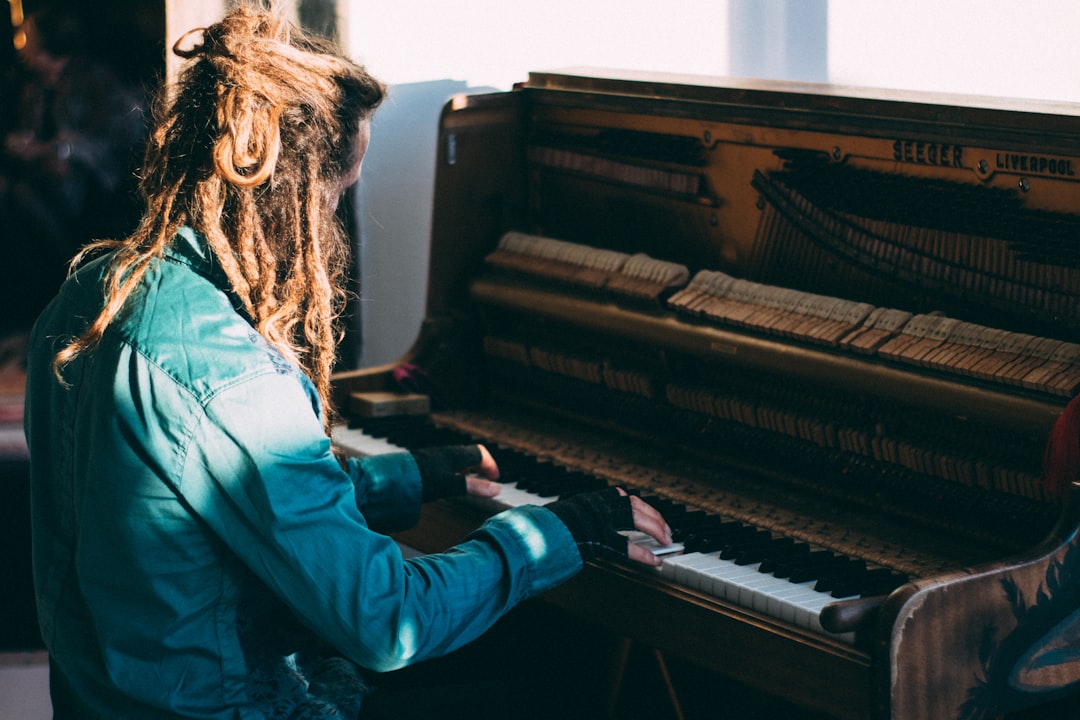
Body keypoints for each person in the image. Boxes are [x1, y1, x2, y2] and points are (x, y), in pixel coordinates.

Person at [23, 5, 672, 719]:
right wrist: (558, 528)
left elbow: (220, 499)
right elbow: (387, 622)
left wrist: (409, 477)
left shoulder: (97, 291)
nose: (333, 221)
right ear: (295, 196)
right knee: (557, 686)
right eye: (337, 195)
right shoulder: (233, 372)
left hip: (102, 703)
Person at [1, 7, 147, 338]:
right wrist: (30, 147)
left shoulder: (91, 79)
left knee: (29, 195)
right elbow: (35, 138)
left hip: (95, 180)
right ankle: (39, 303)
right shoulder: (34, 89)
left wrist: (57, 150)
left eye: (27, 38)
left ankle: (65, 290)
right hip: (45, 177)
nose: (20, 45)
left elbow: (108, 139)